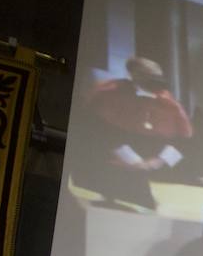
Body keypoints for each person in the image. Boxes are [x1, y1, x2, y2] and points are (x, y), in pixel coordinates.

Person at [77, 56, 192, 210]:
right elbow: (101, 133)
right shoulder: (110, 94)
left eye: (158, 76)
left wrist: (157, 161)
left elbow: (183, 141)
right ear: (133, 75)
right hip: (112, 165)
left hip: (159, 171)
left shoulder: (171, 104)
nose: (156, 80)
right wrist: (134, 162)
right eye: (149, 76)